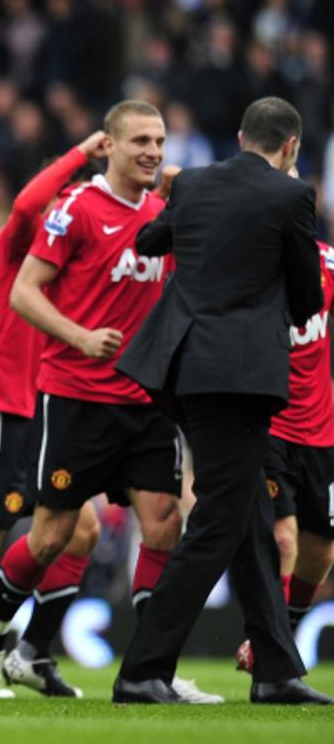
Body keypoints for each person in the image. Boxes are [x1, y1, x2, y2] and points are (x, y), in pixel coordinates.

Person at [0, 100, 218, 703]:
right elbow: (26, 294)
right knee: (53, 536)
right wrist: (80, 337)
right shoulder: (77, 209)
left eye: (160, 141)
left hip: (145, 402)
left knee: (163, 524)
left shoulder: (165, 217)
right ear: (110, 144)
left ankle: (150, 670)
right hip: (76, 397)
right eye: (140, 140)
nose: (153, 152)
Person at [114, 97, 332, 705]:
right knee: (217, 522)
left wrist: (182, 203)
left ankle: (275, 670)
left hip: (181, 367)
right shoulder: (291, 197)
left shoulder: (195, 183)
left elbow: (154, 240)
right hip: (238, 378)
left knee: (249, 521)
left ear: (240, 136)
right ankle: (142, 669)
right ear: (289, 146)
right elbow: (310, 299)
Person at [0, 133, 109, 699]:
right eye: (70, 192)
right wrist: (81, 152)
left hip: (49, 407)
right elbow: (20, 205)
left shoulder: (79, 257)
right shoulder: (18, 243)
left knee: (81, 530)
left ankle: (31, 653)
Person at [237, 236, 334, 674]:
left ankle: (280, 637)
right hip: (270, 423)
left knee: (321, 553)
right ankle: (271, 649)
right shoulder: (247, 260)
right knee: (284, 539)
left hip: (321, 432)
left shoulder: (328, 261)